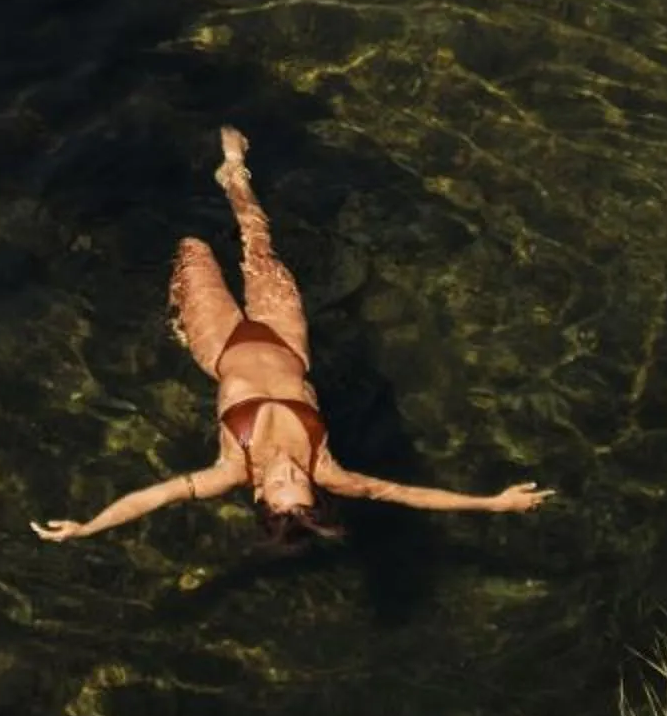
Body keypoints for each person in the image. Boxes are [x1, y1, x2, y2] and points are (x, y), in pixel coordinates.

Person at [30, 127, 555, 544]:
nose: (287, 472)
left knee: (192, 249)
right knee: (260, 247)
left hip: (221, 346)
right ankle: (234, 172)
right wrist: (492, 503)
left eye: (278, 485)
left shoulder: (228, 470)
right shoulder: (327, 469)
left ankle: (177, 316)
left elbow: (153, 498)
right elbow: (404, 493)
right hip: (285, 340)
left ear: (259, 494)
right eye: (296, 482)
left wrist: (88, 527)